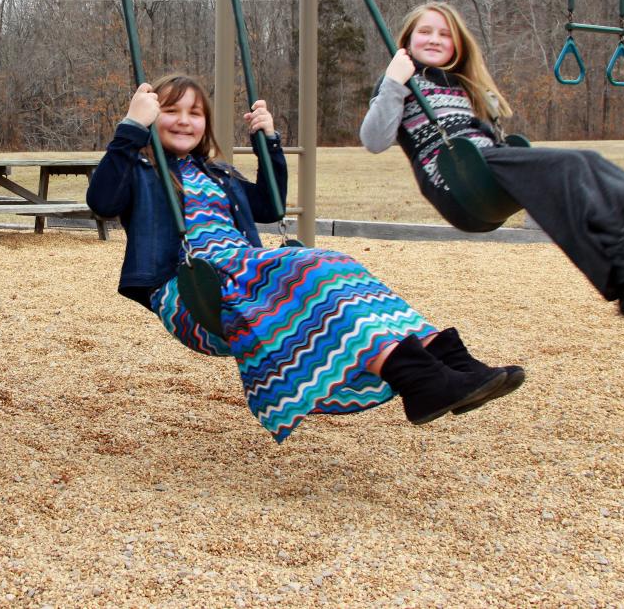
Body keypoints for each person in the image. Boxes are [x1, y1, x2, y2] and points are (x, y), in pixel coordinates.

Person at [86, 74, 524, 442]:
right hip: (193, 290)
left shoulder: (218, 173)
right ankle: (417, 376)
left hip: (247, 274)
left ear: (207, 124)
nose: (184, 120)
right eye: (171, 110)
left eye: (195, 113)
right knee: (314, 267)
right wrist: (131, 127)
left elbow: (270, 206)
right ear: (151, 115)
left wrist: (268, 142)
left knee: (338, 266)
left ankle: (444, 360)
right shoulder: (139, 170)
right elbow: (102, 201)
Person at [359, 0, 624, 317]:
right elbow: (374, 140)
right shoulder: (399, 82)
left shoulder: (460, 82)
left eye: (445, 34)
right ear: (408, 39)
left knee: (587, 161)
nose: (435, 39)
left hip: (489, 165)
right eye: (425, 32)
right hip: (459, 179)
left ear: (458, 44)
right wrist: (394, 82)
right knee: (571, 166)